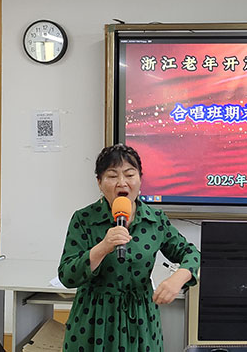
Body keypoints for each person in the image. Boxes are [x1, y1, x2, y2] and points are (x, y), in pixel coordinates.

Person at [58, 143, 200, 352]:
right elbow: (67, 276)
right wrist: (103, 247)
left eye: (129, 174)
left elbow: (192, 254)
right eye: (112, 176)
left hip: (141, 320)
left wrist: (179, 278)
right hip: (94, 319)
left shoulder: (155, 219)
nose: (122, 182)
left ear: (140, 179)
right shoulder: (84, 218)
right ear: (99, 182)